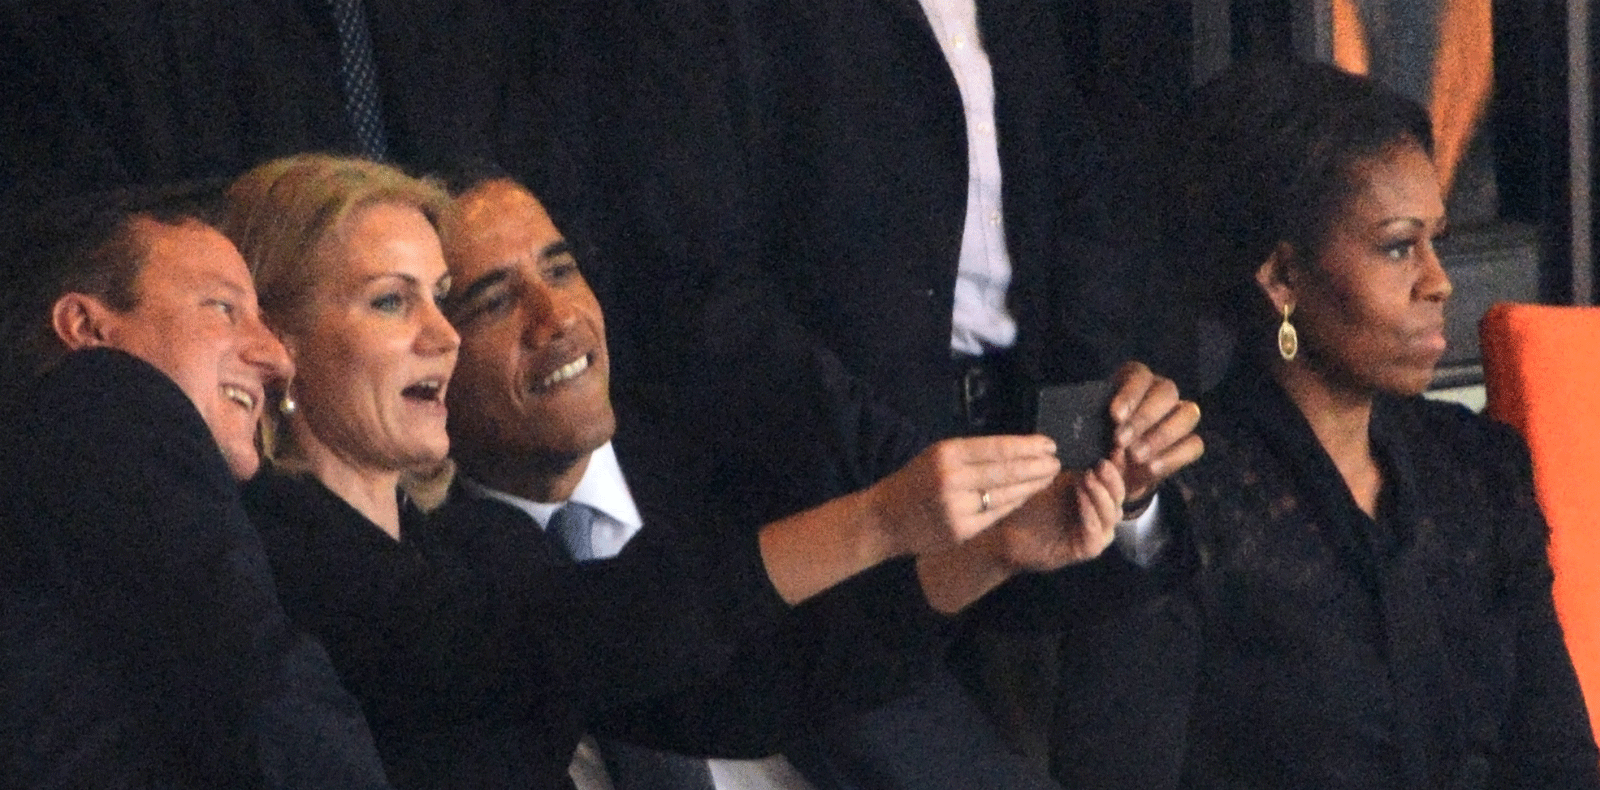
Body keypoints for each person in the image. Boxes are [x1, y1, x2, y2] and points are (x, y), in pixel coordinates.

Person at [222, 153, 1120, 790]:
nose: (441, 336)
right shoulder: (280, 558)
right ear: (277, 345)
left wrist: (986, 554)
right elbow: (564, 636)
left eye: (438, 299)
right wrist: (879, 519)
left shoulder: (451, 545)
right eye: (392, 301)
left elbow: (728, 697)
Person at [1040, 59, 1600, 790]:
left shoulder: (1477, 467)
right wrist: (1133, 520)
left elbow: (1558, 759)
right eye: (1398, 247)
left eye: (1436, 240)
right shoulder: (1182, 494)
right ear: (1282, 279)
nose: (1439, 281)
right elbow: (1110, 769)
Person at [0, 185, 391, 788]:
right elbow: (262, 693)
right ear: (85, 327)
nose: (277, 358)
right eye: (223, 308)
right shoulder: (102, 399)